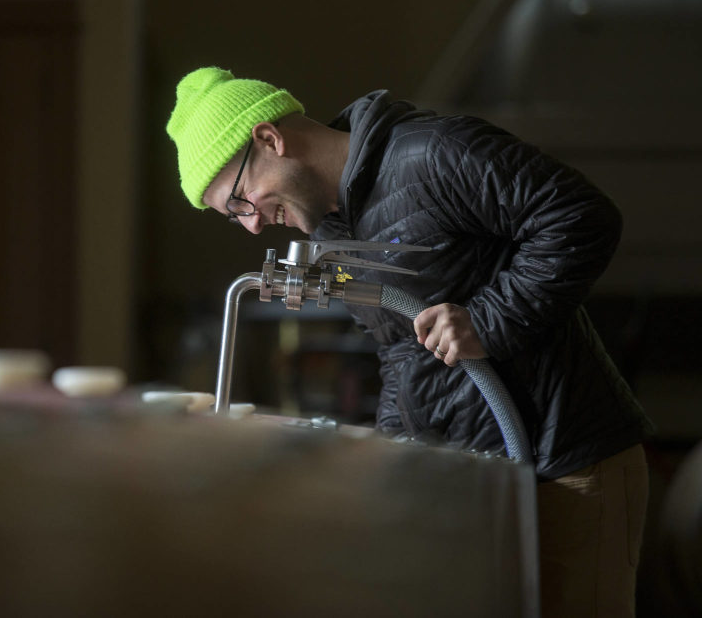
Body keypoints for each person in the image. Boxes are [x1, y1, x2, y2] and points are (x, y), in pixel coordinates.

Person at [166, 66, 654, 617]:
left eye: (240, 201)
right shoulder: (332, 232)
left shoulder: (435, 153)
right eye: (234, 219)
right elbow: (401, 349)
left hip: (567, 463)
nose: (252, 226)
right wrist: (393, 457)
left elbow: (581, 217)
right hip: (482, 481)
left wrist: (488, 321)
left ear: (270, 139)